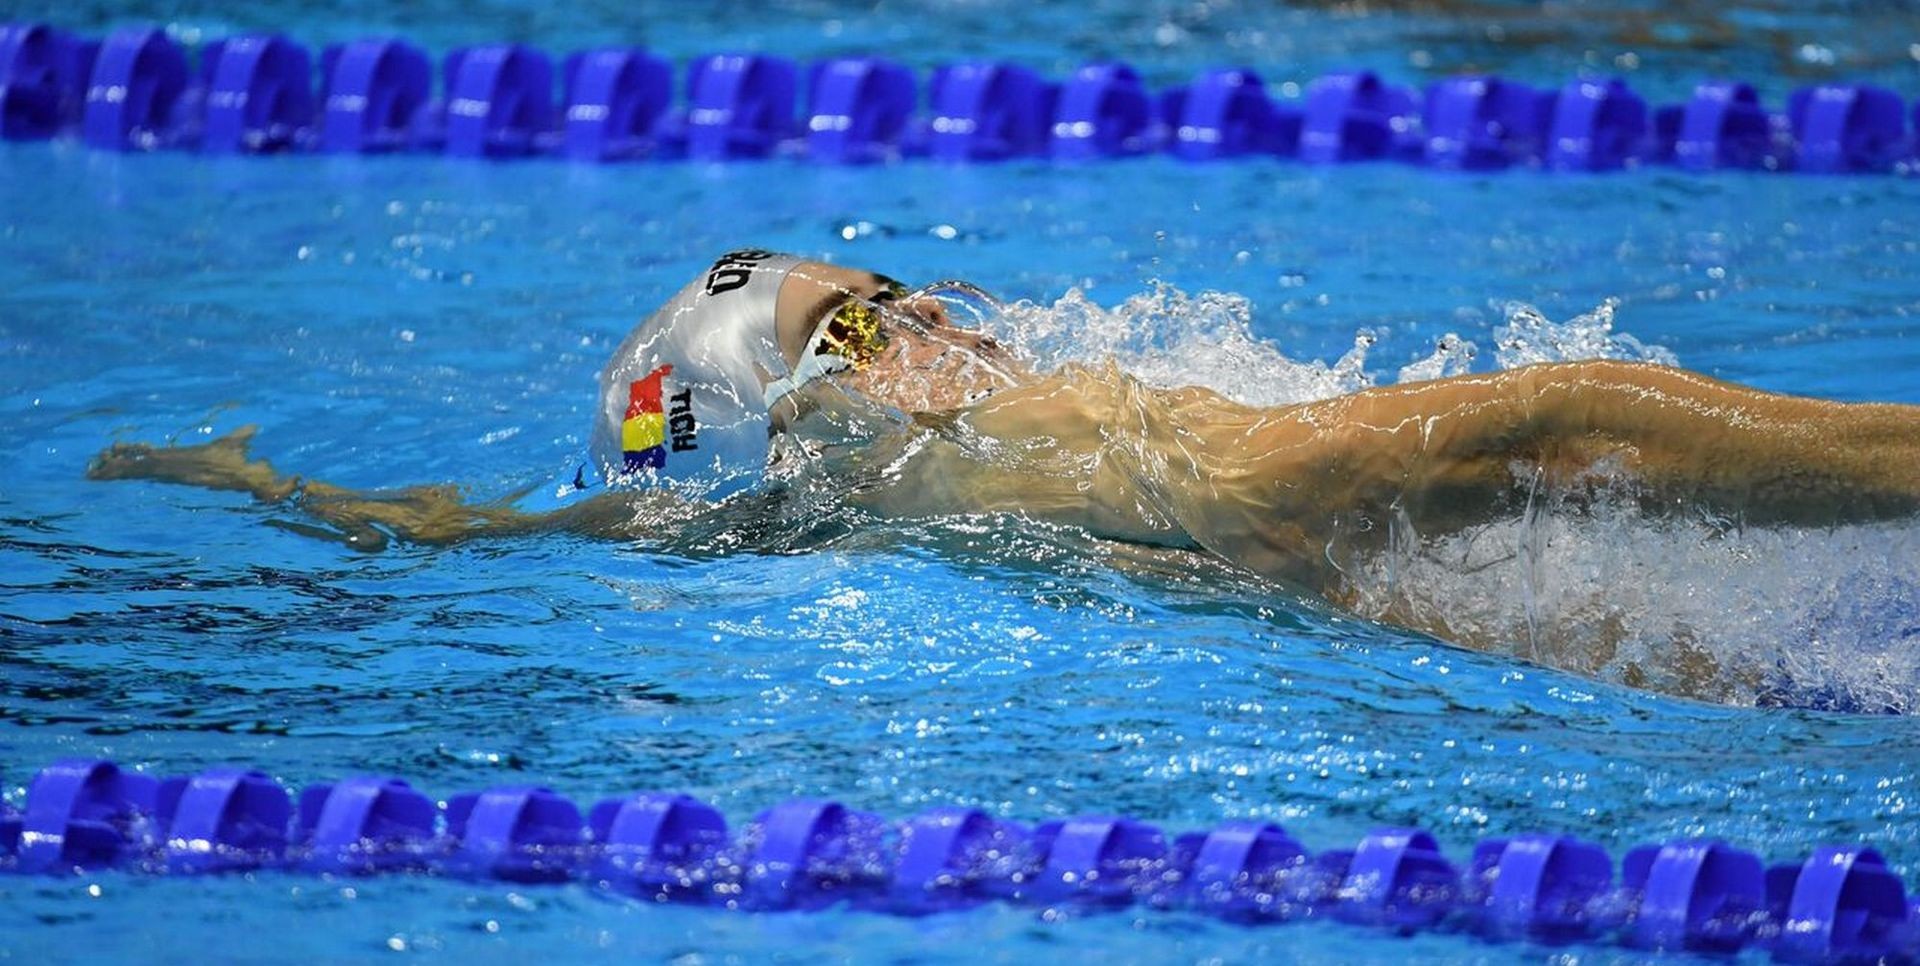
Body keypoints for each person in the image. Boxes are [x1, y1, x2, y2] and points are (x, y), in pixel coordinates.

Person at [88, 250, 1920, 682]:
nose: (921, 323)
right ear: (810, 409)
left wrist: (267, 485)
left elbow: (504, 526)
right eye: (857, 325)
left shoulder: (817, 514)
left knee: (1669, 652)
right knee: (1555, 414)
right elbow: (558, 514)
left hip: (1269, 561)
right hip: (1261, 492)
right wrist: (266, 492)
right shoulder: (899, 462)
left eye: (885, 294)